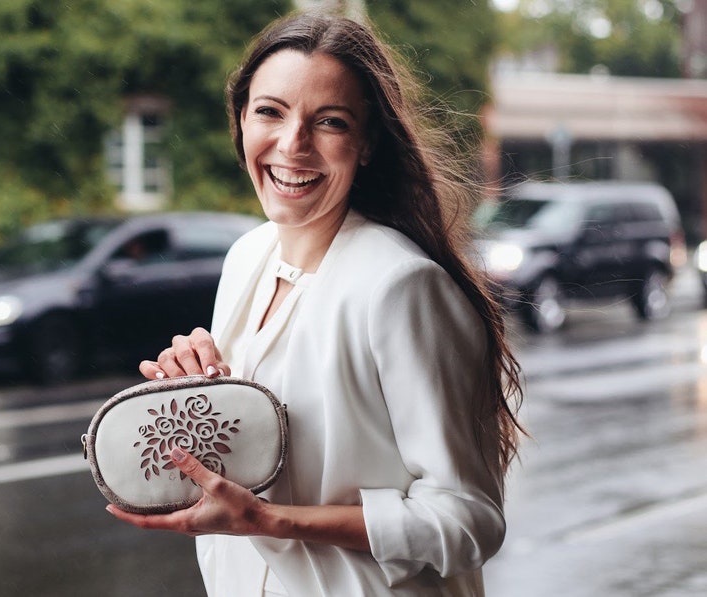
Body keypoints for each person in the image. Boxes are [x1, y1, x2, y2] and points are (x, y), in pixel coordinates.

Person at [106, 10, 525, 596]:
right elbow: (255, 454)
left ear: (367, 142)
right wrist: (195, 391)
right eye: (269, 111)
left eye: (329, 122)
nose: (292, 144)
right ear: (241, 120)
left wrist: (271, 521)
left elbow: (468, 521)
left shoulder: (400, 286)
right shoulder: (247, 256)